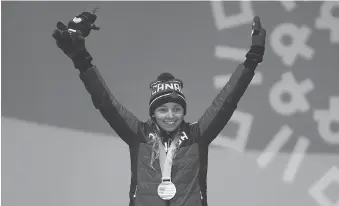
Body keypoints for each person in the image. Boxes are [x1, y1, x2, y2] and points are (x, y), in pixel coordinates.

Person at [52, 10, 266, 206]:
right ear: (153, 113)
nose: (171, 115)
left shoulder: (198, 135)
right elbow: (105, 102)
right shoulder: (139, 134)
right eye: (163, 109)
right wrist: (81, 60)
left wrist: (252, 60)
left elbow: (227, 101)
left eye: (177, 109)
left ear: (184, 112)